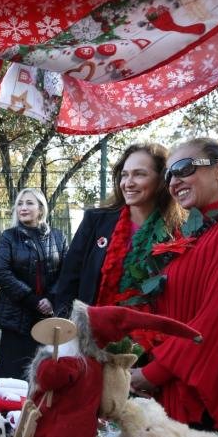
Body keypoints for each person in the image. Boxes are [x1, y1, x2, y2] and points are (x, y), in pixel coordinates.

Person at [130, 137, 218, 433]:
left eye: (184, 168)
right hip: (176, 384)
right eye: (169, 174)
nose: (174, 181)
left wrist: (153, 373)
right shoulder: (194, 236)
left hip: (209, 395)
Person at [54, 143, 183, 350]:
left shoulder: (178, 231)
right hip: (90, 340)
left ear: (161, 179)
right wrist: (70, 334)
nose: (128, 183)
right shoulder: (96, 221)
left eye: (139, 174)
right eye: (124, 175)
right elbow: (68, 283)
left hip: (154, 346)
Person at [0, 188, 67, 380]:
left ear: (41, 209)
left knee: (43, 377)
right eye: (20, 204)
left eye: (29, 203)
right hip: (16, 318)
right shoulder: (8, 237)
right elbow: (2, 272)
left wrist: (50, 298)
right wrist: (32, 299)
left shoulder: (58, 237)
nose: (23, 208)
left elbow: (66, 272)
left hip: (48, 317)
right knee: (11, 379)